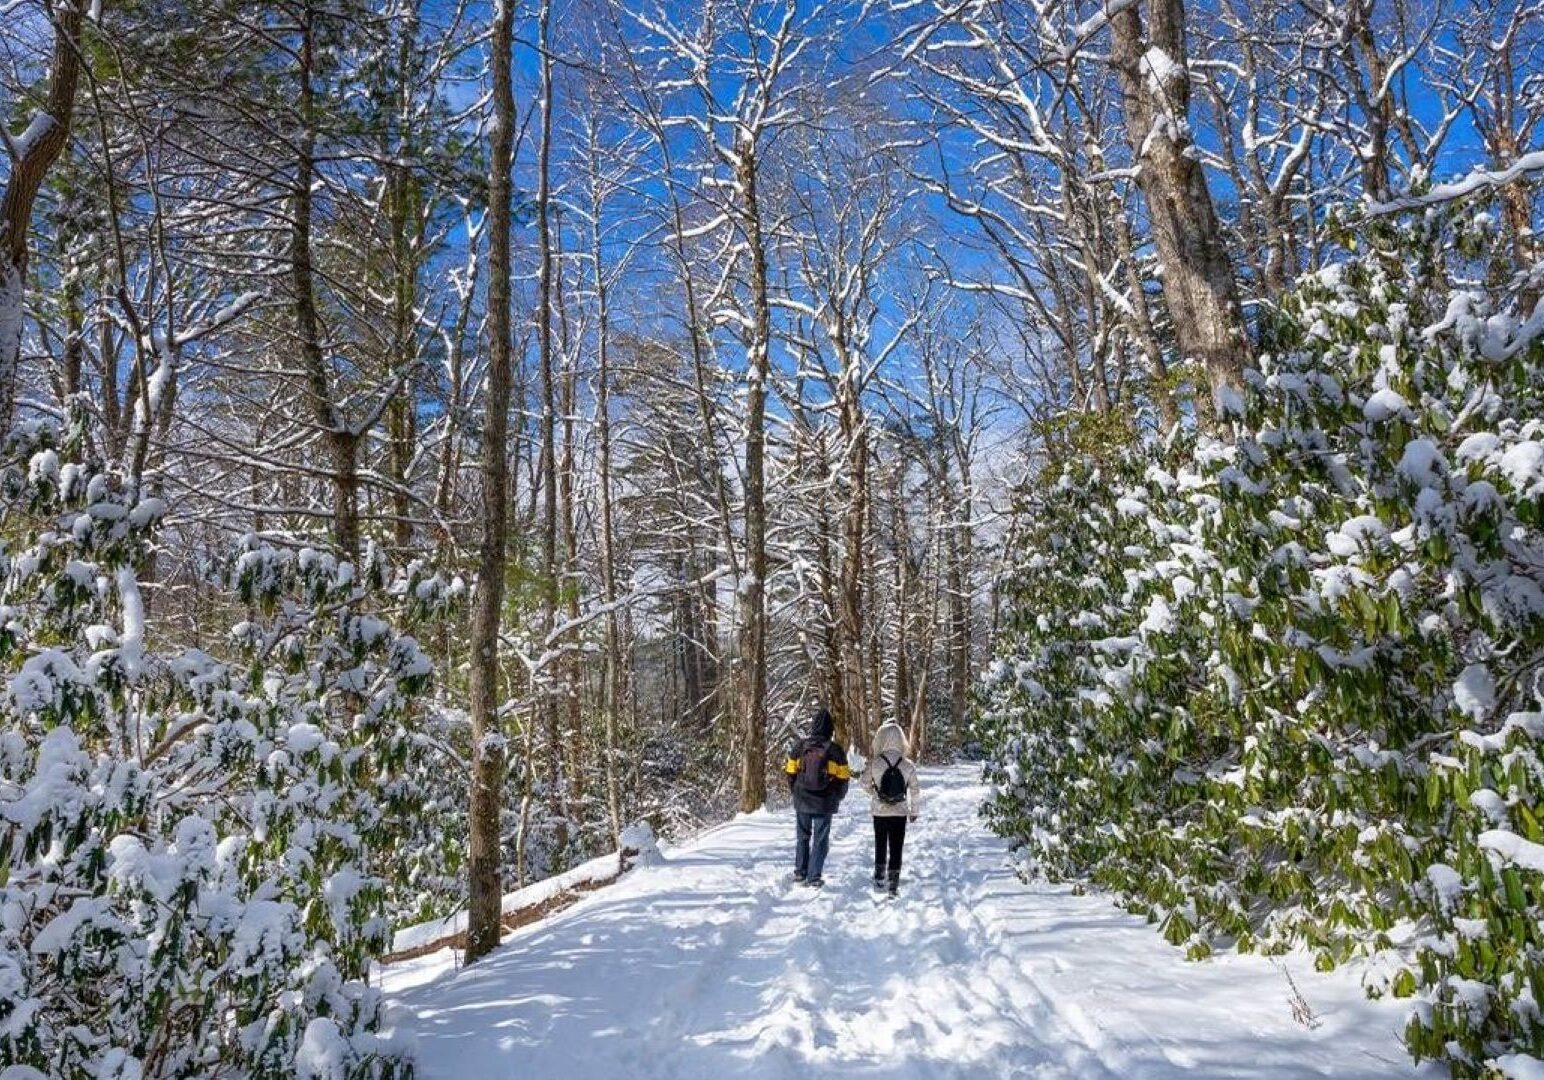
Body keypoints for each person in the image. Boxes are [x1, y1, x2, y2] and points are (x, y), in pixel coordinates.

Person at [783, 707, 851, 888]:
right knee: (820, 839)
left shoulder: (799, 747)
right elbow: (844, 778)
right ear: (830, 729)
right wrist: (837, 797)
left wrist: (796, 792)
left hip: (802, 799)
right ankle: (814, 877)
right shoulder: (835, 751)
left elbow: (790, 773)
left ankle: (800, 872)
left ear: (813, 726)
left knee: (802, 837)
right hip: (825, 802)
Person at [867, 719, 919, 897]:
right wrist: (914, 811)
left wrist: (874, 793)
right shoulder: (907, 764)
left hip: (879, 811)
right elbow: (915, 790)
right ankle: (894, 880)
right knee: (897, 844)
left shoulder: (876, 763)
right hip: (900, 811)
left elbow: (863, 783)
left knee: (880, 841)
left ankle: (880, 875)